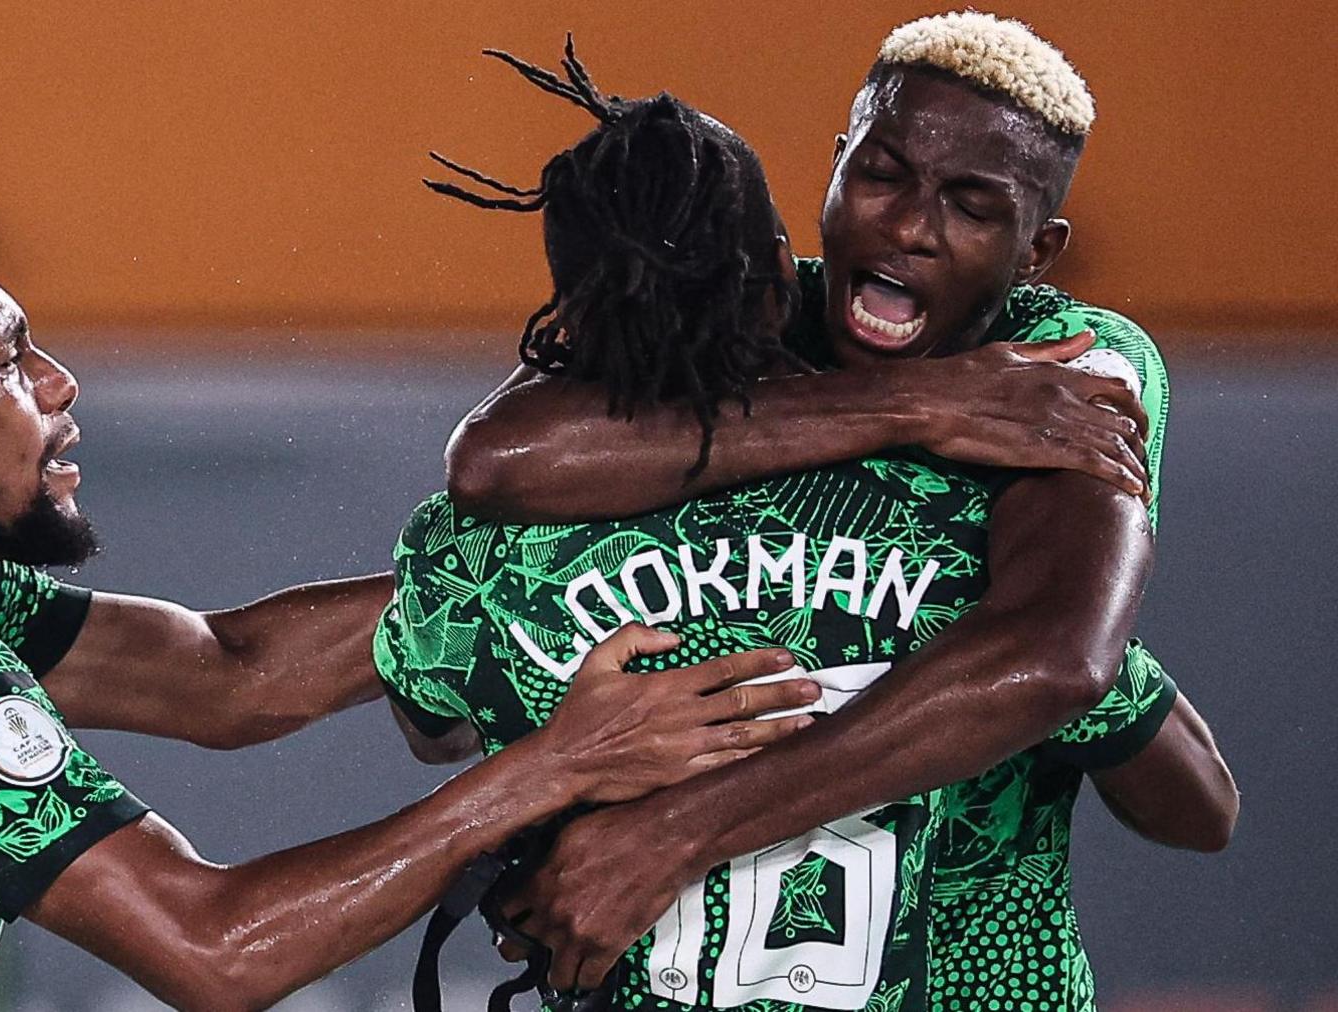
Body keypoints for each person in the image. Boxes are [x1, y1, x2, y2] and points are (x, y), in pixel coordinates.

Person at [0, 221, 818, 1011]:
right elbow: (216, 950)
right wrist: (561, 763)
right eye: (10, 363)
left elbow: (226, 674)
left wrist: (569, 568)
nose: (60, 387)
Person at [382, 25, 1233, 1010]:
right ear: (833, 172)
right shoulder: (738, 302)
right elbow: (497, 460)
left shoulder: (1070, 358)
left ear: (1037, 250)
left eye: (971, 205)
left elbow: (1051, 663)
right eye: (884, 175)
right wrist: (925, 405)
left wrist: (670, 833)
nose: (913, 226)